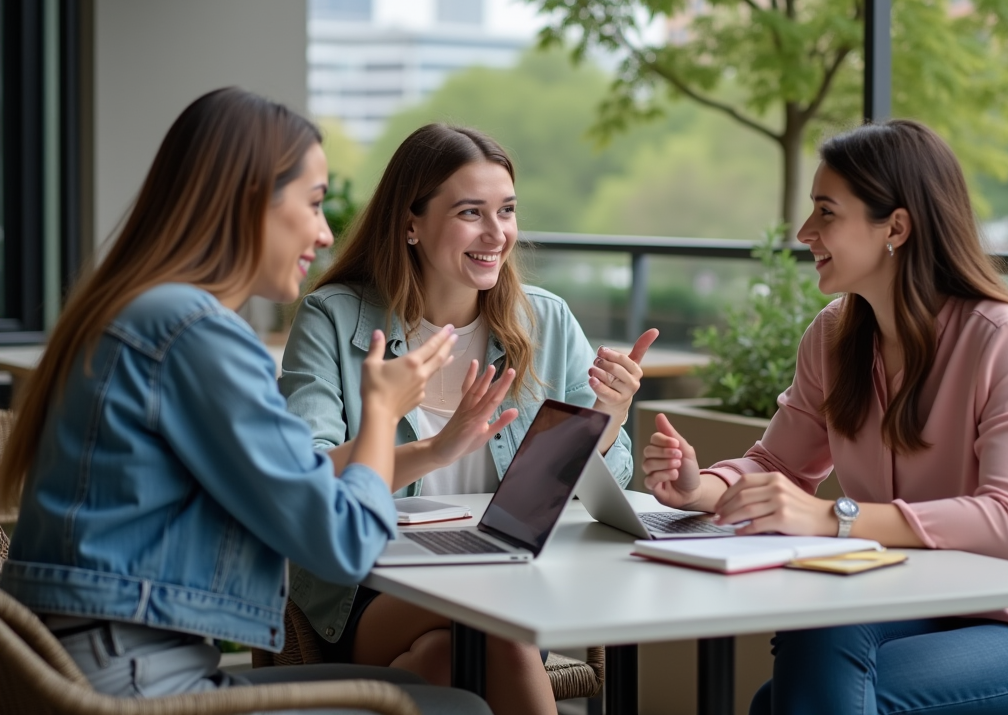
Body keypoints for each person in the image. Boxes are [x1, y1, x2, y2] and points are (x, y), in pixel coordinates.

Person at [0, 88, 495, 715]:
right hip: (138, 683)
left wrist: (417, 444)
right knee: (457, 708)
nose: (323, 232)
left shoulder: (144, 312)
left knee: (434, 692)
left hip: (95, 664)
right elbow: (344, 543)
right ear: (249, 201)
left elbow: (289, 479)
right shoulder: (194, 333)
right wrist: (380, 412)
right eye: (313, 203)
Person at [641, 120, 1008, 715]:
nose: (804, 233)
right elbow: (778, 463)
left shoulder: (1002, 339)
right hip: (930, 604)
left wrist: (836, 517)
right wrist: (701, 487)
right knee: (812, 644)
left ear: (897, 228)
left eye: (826, 213)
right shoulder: (834, 336)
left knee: (793, 702)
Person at [280, 123, 657, 715]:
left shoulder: (547, 322)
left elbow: (603, 484)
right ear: (411, 223)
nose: (496, 233)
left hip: (500, 580)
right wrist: (437, 448)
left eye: (506, 211)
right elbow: (303, 477)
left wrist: (609, 414)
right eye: (469, 212)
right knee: (497, 617)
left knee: (444, 661)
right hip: (369, 590)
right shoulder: (332, 319)